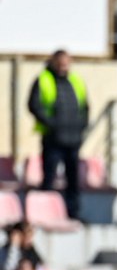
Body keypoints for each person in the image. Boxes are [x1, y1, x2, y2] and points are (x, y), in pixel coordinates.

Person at [28, 50, 87, 220]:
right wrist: (52, 124)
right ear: (53, 62)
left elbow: (85, 106)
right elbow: (34, 105)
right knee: (49, 177)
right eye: (60, 63)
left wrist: (80, 126)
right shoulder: (44, 79)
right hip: (53, 138)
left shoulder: (75, 80)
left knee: (73, 179)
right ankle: (43, 214)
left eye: (66, 64)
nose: (63, 67)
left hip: (73, 139)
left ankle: (73, 213)